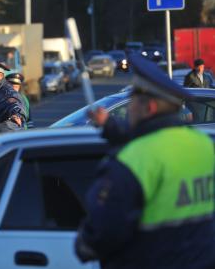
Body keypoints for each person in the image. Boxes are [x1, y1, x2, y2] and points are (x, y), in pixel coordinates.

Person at [75, 54, 215, 269]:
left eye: (133, 101)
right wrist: (109, 127)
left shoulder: (132, 161)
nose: (129, 108)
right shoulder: (204, 146)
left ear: (148, 108)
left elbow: (100, 235)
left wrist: (84, 242)